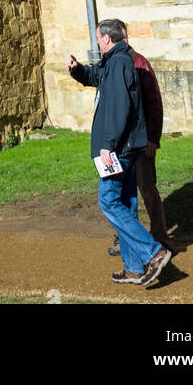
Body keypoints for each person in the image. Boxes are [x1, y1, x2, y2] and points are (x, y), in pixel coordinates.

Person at [67, 18, 172, 287]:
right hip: (125, 146)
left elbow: (119, 107)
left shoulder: (120, 62)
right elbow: (95, 77)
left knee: (109, 201)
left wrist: (108, 144)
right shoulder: (115, 60)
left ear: (107, 39)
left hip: (119, 148)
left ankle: (153, 252)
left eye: (98, 38)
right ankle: (134, 267)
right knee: (126, 203)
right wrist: (78, 70)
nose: (97, 42)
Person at [108, 25, 171, 257]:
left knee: (146, 188)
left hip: (140, 140)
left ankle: (160, 236)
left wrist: (153, 138)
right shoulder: (110, 64)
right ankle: (124, 237)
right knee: (121, 192)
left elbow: (154, 102)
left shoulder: (140, 63)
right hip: (118, 143)